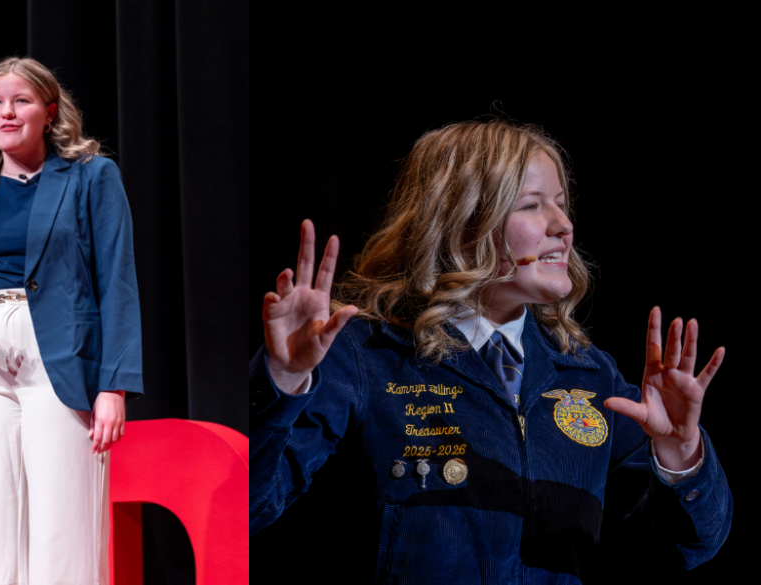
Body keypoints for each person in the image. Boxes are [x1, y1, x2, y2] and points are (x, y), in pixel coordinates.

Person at [249, 120, 731, 582]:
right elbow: (249, 507)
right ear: (462, 221)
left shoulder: (587, 374)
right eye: (531, 205)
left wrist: (681, 454)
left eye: (562, 204)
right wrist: (284, 382)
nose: (563, 225)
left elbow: (686, 546)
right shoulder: (364, 354)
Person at [0, 57, 142, 584]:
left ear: (49, 111)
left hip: (62, 361)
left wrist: (113, 386)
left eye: (20, 100)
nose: (6, 112)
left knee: (62, 534)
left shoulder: (91, 177)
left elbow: (116, 280)